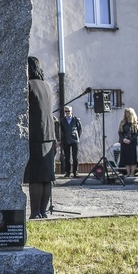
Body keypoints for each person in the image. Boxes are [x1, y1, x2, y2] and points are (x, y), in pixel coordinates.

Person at [24, 56, 57, 219]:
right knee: (46, 177)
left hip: (36, 134)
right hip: (49, 134)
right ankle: (42, 212)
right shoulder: (47, 86)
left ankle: (35, 212)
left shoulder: (28, 86)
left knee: (36, 177)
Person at [118, 107, 138, 178]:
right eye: (125, 113)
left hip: (133, 143)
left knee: (133, 158)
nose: (126, 115)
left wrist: (130, 140)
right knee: (126, 158)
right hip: (124, 143)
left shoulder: (136, 122)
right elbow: (120, 132)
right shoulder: (123, 122)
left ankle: (132, 173)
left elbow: (137, 133)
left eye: (128, 113)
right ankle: (128, 173)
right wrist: (123, 139)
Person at [60, 105, 82, 178]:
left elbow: (79, 129)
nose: (67, 113)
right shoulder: (63, 120)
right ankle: (68, 172)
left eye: (68, 111)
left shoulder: (76, 119)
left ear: (71, 111)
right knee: (67, 157)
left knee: (75, 157)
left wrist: (76, 136)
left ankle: (75, 172)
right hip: (66, 140)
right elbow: (62, 131)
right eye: (66, 111)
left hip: (74, 140)